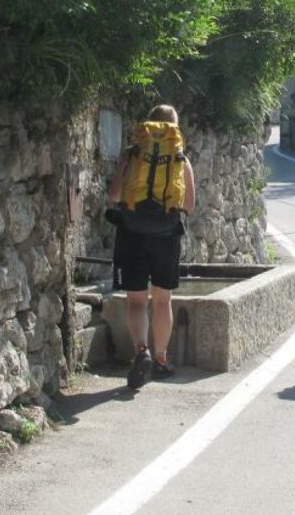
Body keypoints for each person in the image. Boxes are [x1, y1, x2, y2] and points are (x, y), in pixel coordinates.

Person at [107, 104, 196, 389]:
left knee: (135, 301)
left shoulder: (132, 154)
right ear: (174, 127)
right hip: (166, 235)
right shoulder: (181, 157)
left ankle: (141, 351)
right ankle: (160, 359)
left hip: (132, 233)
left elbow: (114, 195)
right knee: (162, 300)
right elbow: (190, 205)